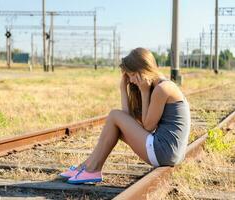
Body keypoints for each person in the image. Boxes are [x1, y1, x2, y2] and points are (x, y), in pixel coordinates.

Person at [60, 47, 191, 184]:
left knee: (114, 115)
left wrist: (145, 92)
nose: (131, 80)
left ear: (144, 70)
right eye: (128, 76)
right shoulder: (157, 86)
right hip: (166, 152)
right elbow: (128, 120)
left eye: (132, 74)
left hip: (164, 152)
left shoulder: (162, 89)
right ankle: (86, 167)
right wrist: (123, 88)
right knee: (116, 121)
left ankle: (92, 169)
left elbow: (147, 127)